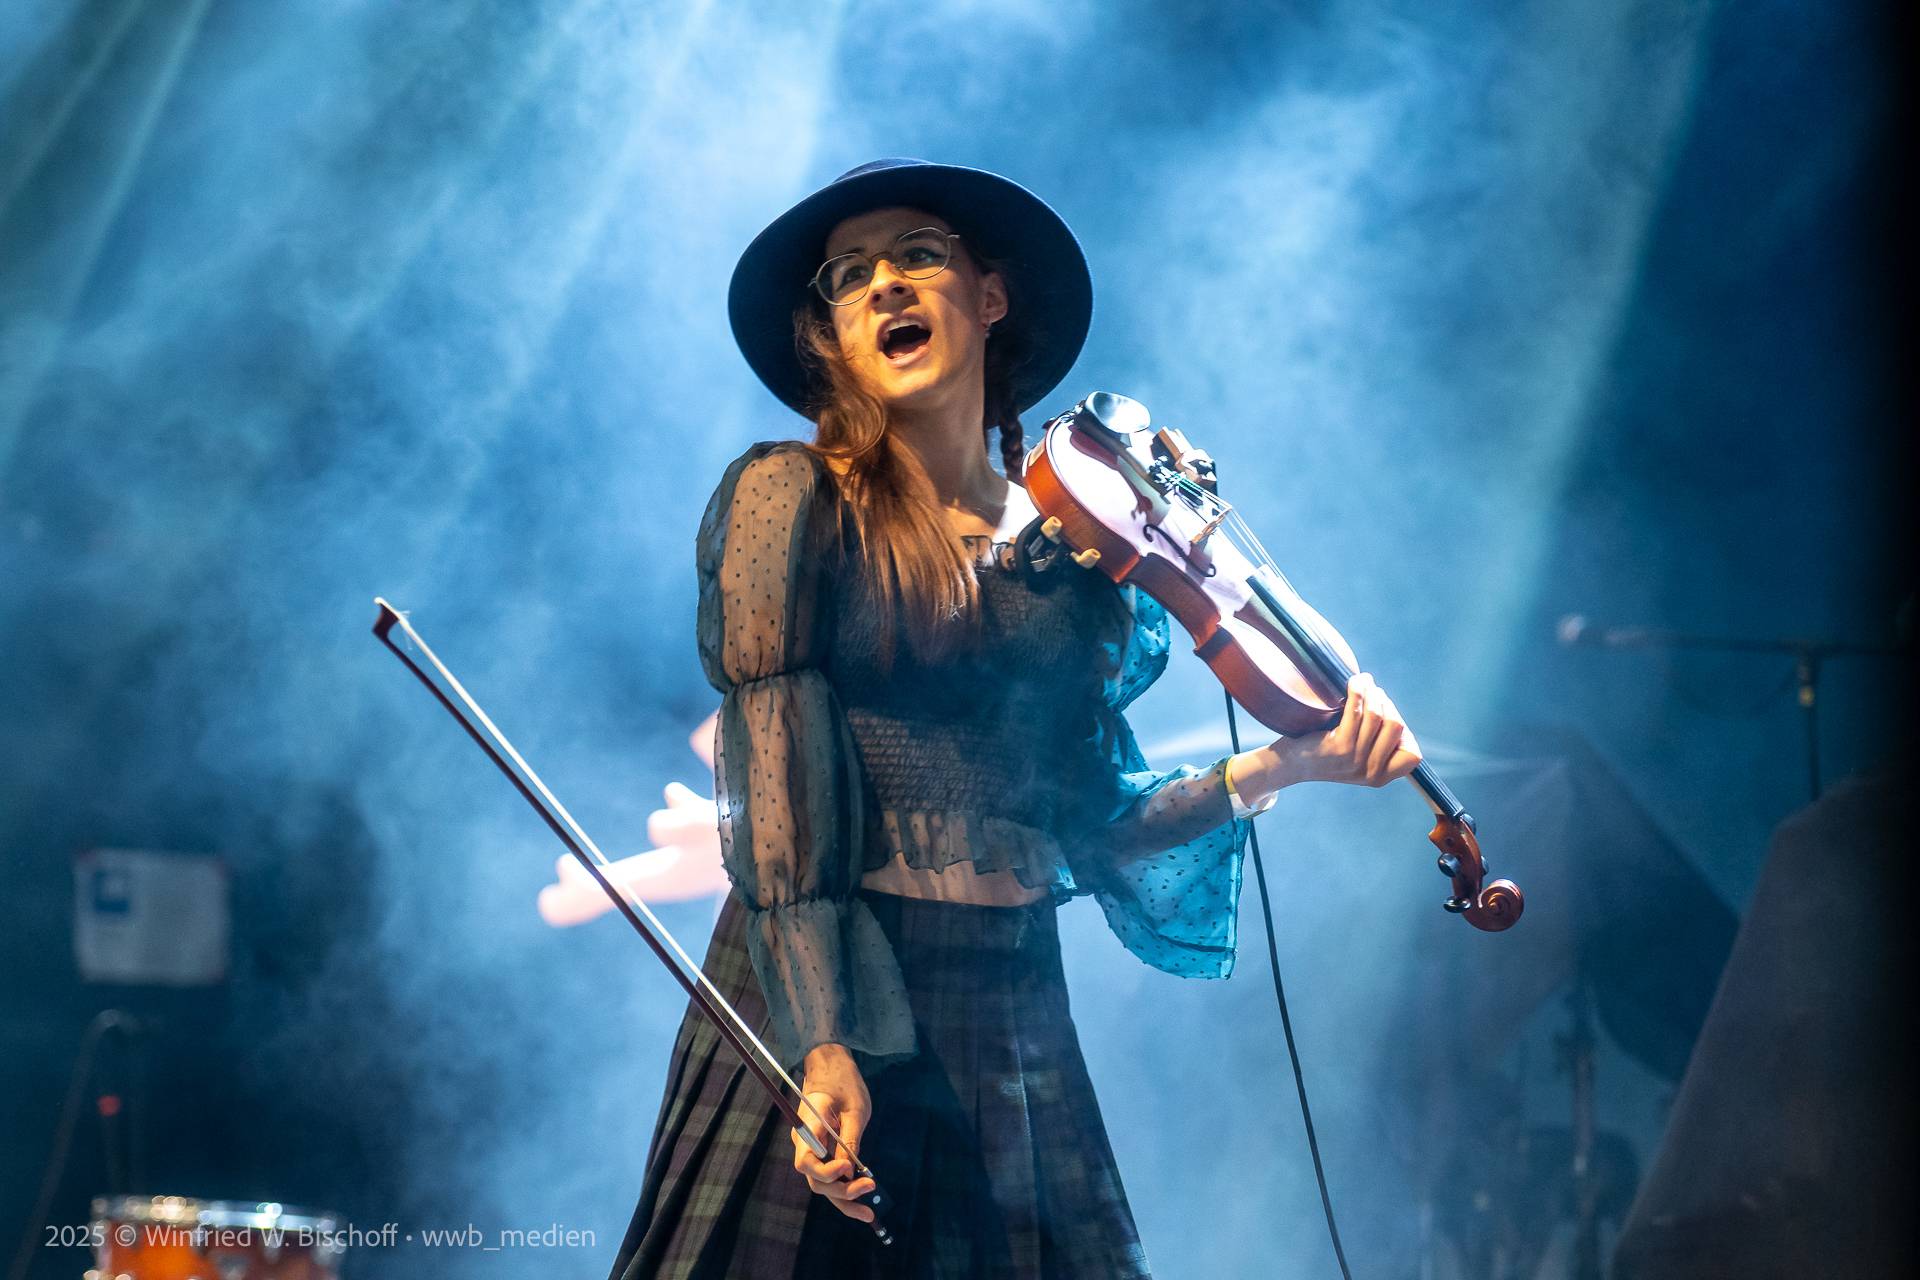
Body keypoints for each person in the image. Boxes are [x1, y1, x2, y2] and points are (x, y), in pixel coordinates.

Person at [610, 159, 1420, 1280]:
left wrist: (1286, 763)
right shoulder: (793, 499)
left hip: (1010, 997)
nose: (885, 285)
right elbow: (776, 772)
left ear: (990, 295)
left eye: (919, 255)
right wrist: (823, 1035)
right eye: (850, 276)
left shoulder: (1075, 560)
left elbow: (1092, 823)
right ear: (833, 334)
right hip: (832, 978)